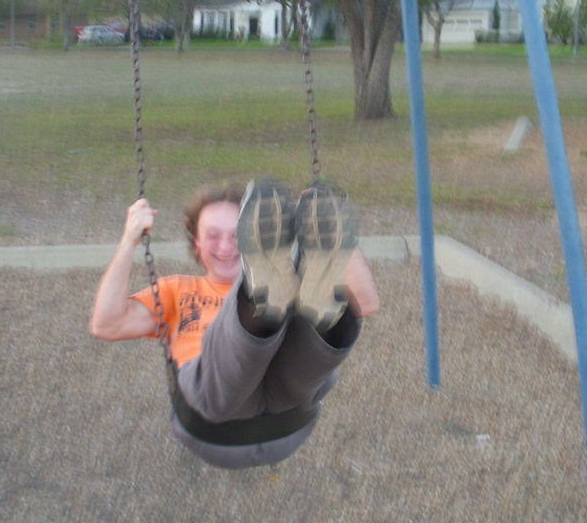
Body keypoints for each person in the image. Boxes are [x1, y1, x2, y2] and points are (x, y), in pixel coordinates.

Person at [90, 177, 379, 468]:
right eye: (213, 235)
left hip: (289, 413)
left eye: (236, 234)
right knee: (240, 354)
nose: (226, 247)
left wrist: (333, 231)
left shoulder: (290, 280)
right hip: (215, 412)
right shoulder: (176, 290)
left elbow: (364, 303)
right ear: (197, 243)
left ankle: (277, 299)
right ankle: (260, 301)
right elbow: (107, 323)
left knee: (310, 339)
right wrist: (129, 240)